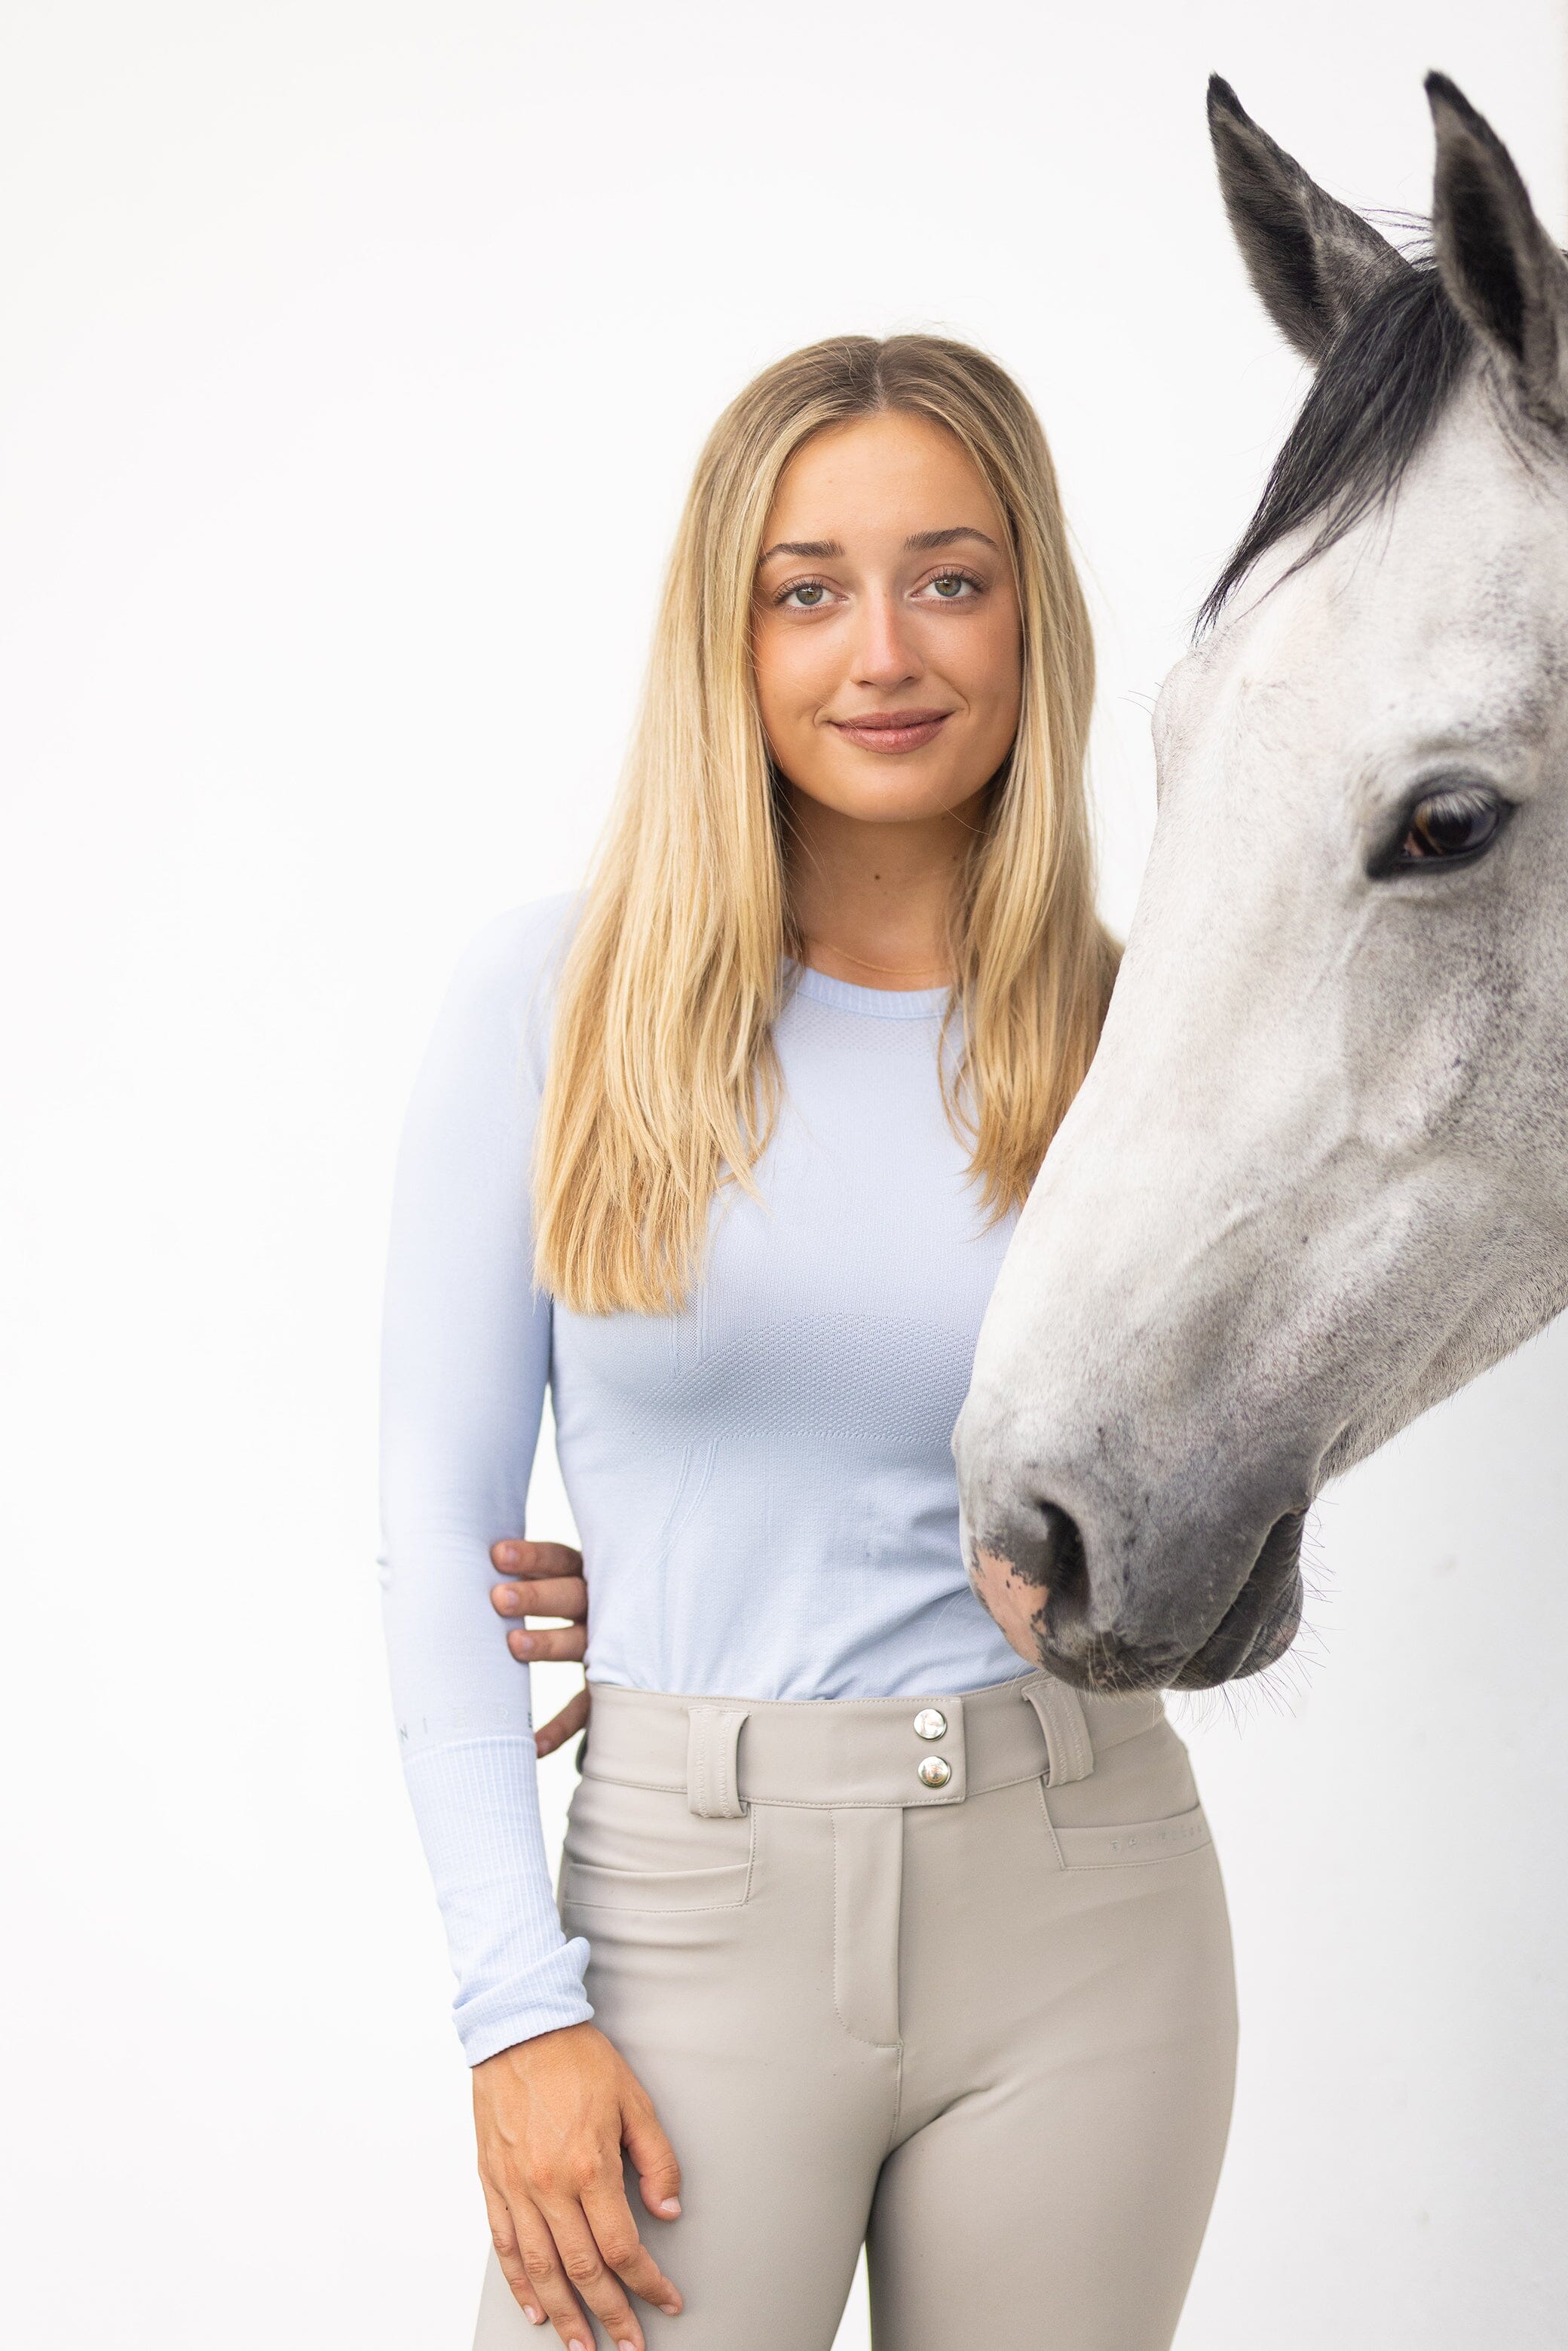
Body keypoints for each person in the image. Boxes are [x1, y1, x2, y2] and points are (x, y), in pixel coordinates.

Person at [378, 334, 1236, 2351]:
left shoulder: (1149, 1044)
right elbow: (435, 1533)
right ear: (728, 634)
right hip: (685, 1915)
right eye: (807, 588)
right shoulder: (554, 1005)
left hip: (1087, 1906)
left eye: (950, 577)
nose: (885, 652)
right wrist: (517, 2015)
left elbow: (1214, 1510)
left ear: (1031, 614)